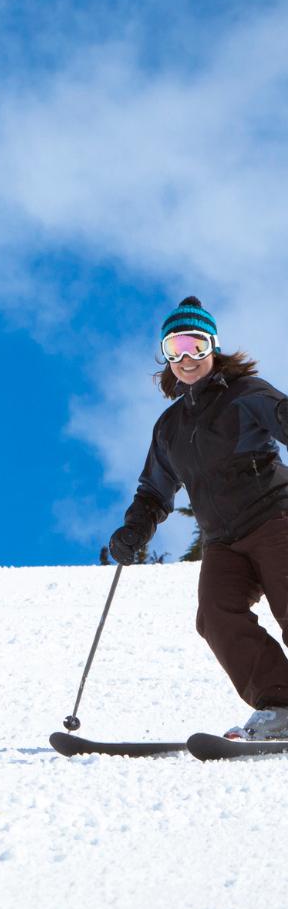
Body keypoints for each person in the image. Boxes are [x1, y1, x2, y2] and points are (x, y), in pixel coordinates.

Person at [110, 297, 288, 739]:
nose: (186, 358)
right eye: (175, 348)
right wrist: (134, 530)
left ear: (213, 346)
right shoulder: (168, 428)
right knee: (215, 614)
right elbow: (154, 490)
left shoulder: (247, 394)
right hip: (222, 541)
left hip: (275, 518)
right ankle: (282, 703)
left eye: (195, 344)